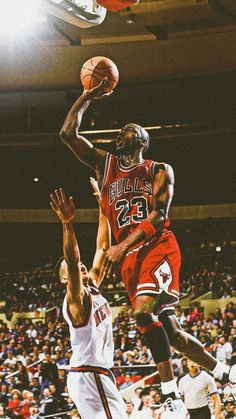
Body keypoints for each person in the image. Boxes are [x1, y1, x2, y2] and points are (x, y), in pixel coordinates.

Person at [59, 79, 236, 410]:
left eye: (125, 132)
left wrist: (122, 244)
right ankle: (225, 372)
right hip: (130, 259)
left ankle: (169, 394)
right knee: (173, 334)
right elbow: (68, 135)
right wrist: (87, 95)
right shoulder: (104, 163)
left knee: (141, 312)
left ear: (138, 141)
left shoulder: (158, 170)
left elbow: (157, 216)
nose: (119, 135)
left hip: (158, 247)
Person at [50, 181, 127, 419]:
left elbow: (103, 249)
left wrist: (104, 209)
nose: (81, 266)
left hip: (96, 374)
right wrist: (67, 224)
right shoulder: (76, 300)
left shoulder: (93, 286)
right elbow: (73, 261)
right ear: (65, 279)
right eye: (71, 270)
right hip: (89, 374)